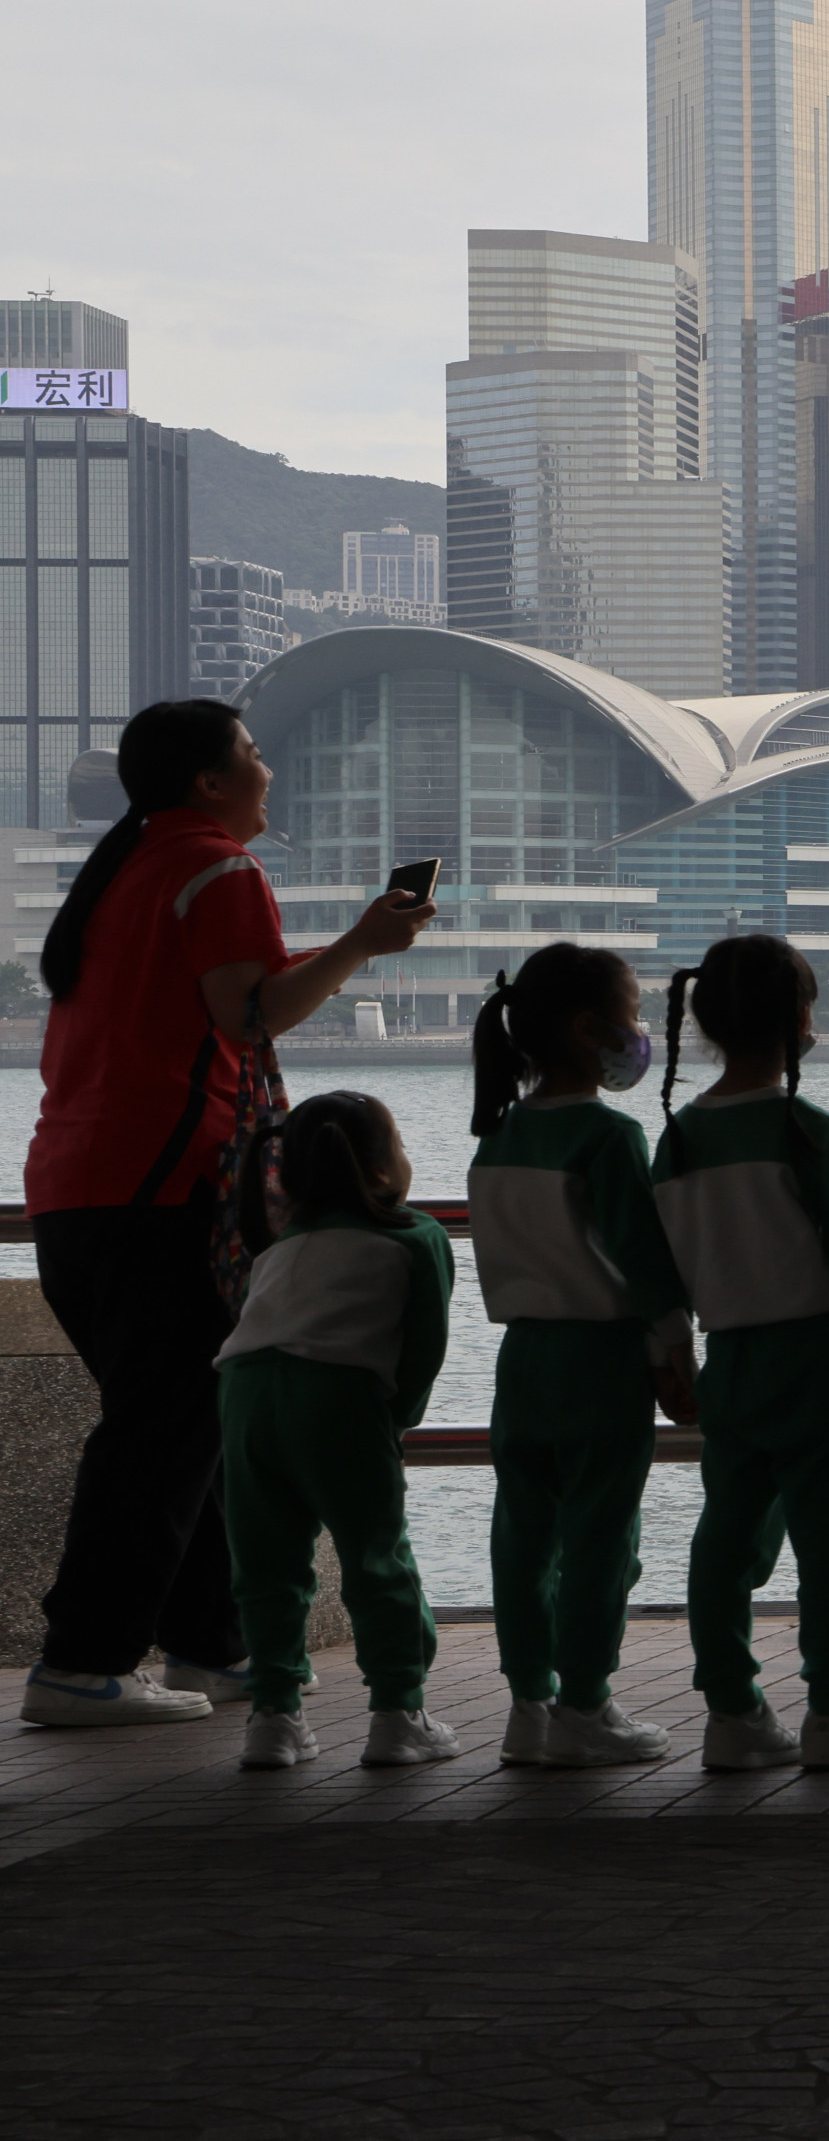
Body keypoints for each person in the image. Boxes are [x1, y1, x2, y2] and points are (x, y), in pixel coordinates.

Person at [21, 699, 430, 1730]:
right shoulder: (218, 868)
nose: (267, 770)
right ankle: (83, 1661)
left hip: (76, 1187)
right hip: (163, 1189)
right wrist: (364, 945)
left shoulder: (126, 867)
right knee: (160, 1436)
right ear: (208, 782)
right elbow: (251, 1011)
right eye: (252, 754)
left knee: (184, 1424)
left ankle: (214, 1644)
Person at [653, 933, 829, 1771]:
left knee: (724, 1542)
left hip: (726, 1361)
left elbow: (659, 1273)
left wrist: (672, 1361)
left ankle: (731, 1709)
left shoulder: (679, 1137)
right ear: (800, 1017)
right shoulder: (807, 1128)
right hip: (821, 1361)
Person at [467, 942, 690, 1768]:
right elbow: (644, 1256)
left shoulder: (499, 1138)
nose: (640, 1032)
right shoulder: (607, 1134)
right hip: (599, 1362)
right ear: (589, 1027)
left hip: (520, 1362)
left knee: (522, 1540)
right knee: (602, 1537)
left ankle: (529, 1704)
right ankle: (586, 1705)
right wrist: (675, 1349)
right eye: (634, 1014)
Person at [211, 1092, 455, 1770]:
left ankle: (273, 1719)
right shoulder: (415, 1234)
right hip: (339, 1396)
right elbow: (422, 1348)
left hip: (244, 1393)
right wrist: (394, 1421)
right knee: (376, 1559)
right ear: (382, 1167)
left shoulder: (282, 1245)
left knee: (266, 1566)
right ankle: (398, 1714)